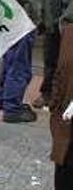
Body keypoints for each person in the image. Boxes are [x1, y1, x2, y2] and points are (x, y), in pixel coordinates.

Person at [38, 0, 73, 110]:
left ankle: (64, 98)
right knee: (50, 61)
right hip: (52, 24)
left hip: (70, 27)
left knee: (67, 63)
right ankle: (47, 94)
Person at [49, 26, 73, 188]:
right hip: (66, 124)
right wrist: (55, 104)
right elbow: (60, 71)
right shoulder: (69, 32)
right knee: (64, 172)